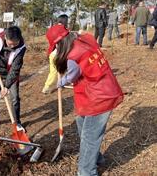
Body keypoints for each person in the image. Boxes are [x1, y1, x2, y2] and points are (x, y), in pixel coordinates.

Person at [46, 24, 124, 176]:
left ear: (59, 44)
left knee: (89, 136)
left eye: (55, 47)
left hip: (99, 96)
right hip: (93, 90)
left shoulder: (72, 57)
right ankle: (96, 158)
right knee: (83, 127)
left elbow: (72, 76)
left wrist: (60, 82)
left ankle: (86, 171)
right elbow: (84, 34)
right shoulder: (86, 39)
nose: (56, 50)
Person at [42, 14, 69, 94]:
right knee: (69, 66)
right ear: (65, 21)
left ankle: (46, 87)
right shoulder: (63, 29)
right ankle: (67, 81)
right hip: (60, 53)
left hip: (52, 53)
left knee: (53, 71)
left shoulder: (51, 29)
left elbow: (48, 36)